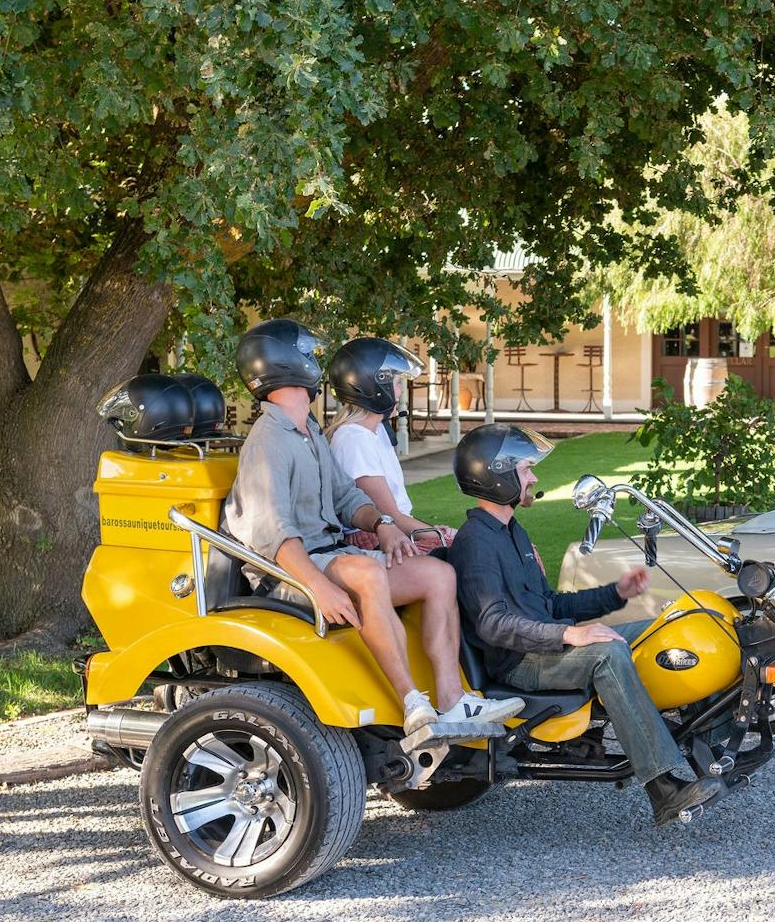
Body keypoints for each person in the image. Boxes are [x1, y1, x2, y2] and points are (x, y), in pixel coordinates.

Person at [222, 319, 522, 737]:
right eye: (307, 353)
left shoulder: (307, 431)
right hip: (290, 572)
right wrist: (319, 587)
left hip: (331, 557)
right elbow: (274, 534)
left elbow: (347, 498)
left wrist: (383, 525)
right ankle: (412, 703)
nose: (315, 361)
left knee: (439, 575)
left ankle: (453, 702)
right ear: (286, 363)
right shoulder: (268, 440)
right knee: (366, 573)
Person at [448, 424, 727, 826]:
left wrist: (615, 593)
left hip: (545, 644)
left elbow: (549, 603)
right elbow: (493, 624)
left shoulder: (512, 533)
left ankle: (712, 752)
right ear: (498, 476)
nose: (534, 478)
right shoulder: (475, 541)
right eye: (526, 470)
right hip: (521, 661)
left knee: (669, 627)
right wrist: (568, 633)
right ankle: (663, 789)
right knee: (607, 655)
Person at [325, 337, 457, 551]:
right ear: (375, 387)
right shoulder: (354, 440)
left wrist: (434, 531)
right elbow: (389, 516)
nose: (401, 391)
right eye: (396, 383)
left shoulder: (376, 430)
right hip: (375, 539)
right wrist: (439, 535)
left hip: (398, 529)